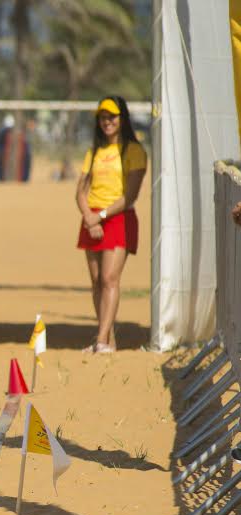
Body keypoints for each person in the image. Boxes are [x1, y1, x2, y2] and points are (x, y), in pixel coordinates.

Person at [75, 95, 146, 354]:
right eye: (103, 117)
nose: (107, 122)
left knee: (109, 278)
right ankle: (106, 337)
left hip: (117, 217)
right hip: (91, 218)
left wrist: (101, 216)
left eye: (112, 117)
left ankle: (102, 340)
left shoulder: (134, 151)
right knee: (96, 281)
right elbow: (80, 190)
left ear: (122, 119)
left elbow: (131, 194)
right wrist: (89, 217)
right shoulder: (94, 151)